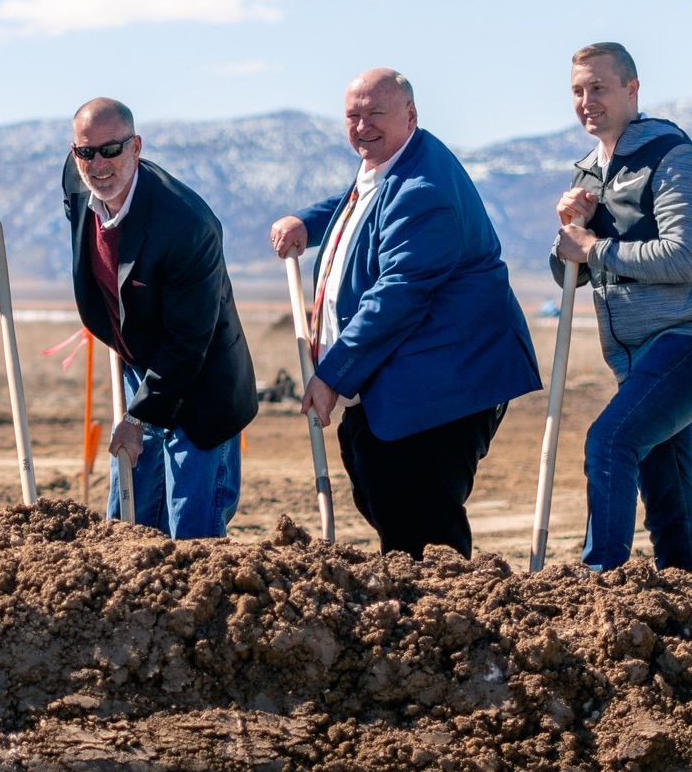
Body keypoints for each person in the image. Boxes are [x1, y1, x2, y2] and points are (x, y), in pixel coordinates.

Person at [269, 68, 541, 557]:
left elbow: (400, 293)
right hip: (402, 382)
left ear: (410, 114)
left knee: (422, 527)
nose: (362, 126)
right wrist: (307, 224)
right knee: (387, 502)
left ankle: (446, 623)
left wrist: (332, 375)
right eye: (353, 115)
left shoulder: (424, 191)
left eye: (376, 113)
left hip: (440, 386)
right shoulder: (395, 162)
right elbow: (360, 201)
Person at [550, 43, 692, 572]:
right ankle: (689, 621)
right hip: (637, 361)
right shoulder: (587, 174)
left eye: (599, 87)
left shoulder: (674, 158)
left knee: (610, 441)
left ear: (632, 90)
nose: (587, 100)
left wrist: (593, 247)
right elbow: (572, 272)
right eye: (578, 90)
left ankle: (600, 588)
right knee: (672, 507)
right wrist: (569, 234)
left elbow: (683, 258)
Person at [64, 97, 259, 538]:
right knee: (128, 515)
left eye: (111, 150)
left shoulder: (186, 225)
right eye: (85, 152)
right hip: (140, 364)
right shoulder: (79, 181)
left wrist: (137, 419)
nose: (98, 164)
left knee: (190, 528)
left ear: (135, 147)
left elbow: (189, 342)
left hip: (200, 381)